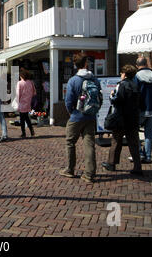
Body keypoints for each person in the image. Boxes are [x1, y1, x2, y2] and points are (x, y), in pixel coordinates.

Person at [60, 53, 102, 183]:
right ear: (86, 64)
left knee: (70, 142)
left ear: (75, 65)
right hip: (91, 116)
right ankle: (89, 174)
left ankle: (70, 169)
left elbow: (68, 100)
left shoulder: (73, 80)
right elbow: (100, 97)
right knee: (89, 144)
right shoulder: (94, 79)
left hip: (76, 116)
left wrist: (72, 112)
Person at [102, 65, 143, 175]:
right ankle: (137, 166)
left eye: (121, 73)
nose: (120, 75)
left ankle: (111, 163)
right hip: (133, 118)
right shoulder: (135, 86)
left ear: (124, 74)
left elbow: (117, 100)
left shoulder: (121, 85)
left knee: (116, 141)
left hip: (121, 118)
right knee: (133, 143)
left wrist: (111, 96)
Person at [133, 57, 152, 163]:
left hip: (140, 109)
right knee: (149, 134)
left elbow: (135, 94)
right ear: (147, 64)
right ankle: (148, 156)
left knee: (134, 132)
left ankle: (139, 153)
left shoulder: (136, 77)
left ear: (137, 65)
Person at [16, 69, 36, 138]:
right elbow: (34, 92)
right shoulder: (31, 82)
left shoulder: (20, 83)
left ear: (21, 76)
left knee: (22, 118)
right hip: (28, 102)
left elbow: (18, 94)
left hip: (22, 102)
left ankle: (23, 133)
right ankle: (31, 131)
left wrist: (17, 102)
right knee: (26, 117)